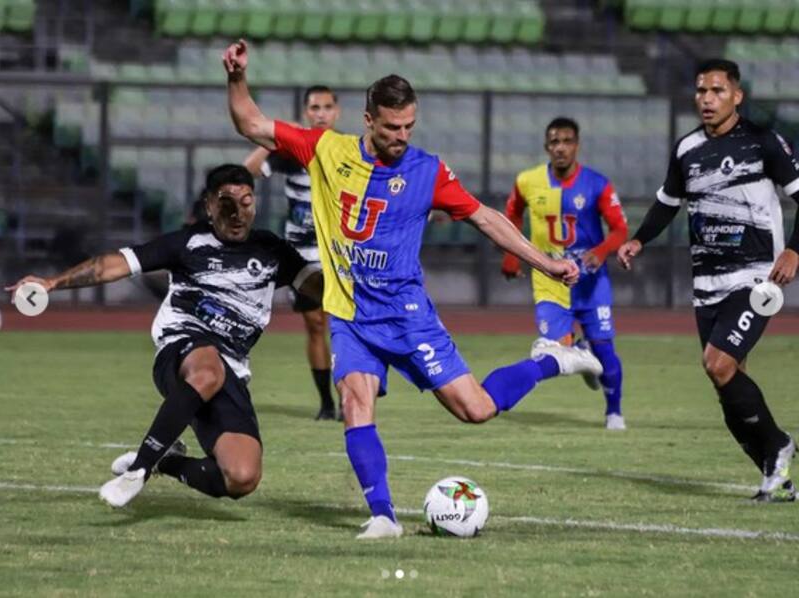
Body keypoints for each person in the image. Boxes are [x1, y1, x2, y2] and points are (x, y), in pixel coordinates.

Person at [224, 39, 605, 538]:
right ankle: (383, 515)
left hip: (407, 317)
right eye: (391, 127)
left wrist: (546, 263)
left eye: (409, 126)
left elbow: (486, 218)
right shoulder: (325, 149)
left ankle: (552, 359)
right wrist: (237, 77)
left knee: (476, 410)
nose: (401, 136)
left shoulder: (427, 171)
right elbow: (250, 122)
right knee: (354, 403)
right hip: (350, 314)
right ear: (368, 120)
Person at [6, 164, 322, 508]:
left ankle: (166, 461)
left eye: (246, 202)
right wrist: (52, 283)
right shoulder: (189, 242)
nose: (237, 213)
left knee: (241, 477)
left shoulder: (272, 251)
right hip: (182, 347)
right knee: (208, 370)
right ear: (209, 206)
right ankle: (138, 471)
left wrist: (354, 278)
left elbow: (319, 289)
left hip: (231, 368)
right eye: (226, 203)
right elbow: (116, 264)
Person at [617, 59, 799, 502]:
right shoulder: (688, 148)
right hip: (706, 283)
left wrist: (794, 250)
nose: (707, 99)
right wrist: (639, 239)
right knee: (727, 384)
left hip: (755, 278)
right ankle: (776, 477)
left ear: (737, 96)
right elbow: (667, 203)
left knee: (717, 364)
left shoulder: (763, 142)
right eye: (701, 91)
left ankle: (778, 444)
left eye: (717, 91)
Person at [501, 117, 629, 430]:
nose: (560, 148)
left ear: (577, 145)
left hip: (590, 282)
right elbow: (512, 215)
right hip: (550, 280)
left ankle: (614, 413)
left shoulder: (597, 184)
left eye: (567, 141)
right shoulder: (527, 181)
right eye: (555, 142)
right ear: (546, 147)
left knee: (605, 350)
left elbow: (620, 229)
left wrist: (601, 251)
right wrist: (511, 255)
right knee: (553, 349)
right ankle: (580, 353)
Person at [243, 85, 340, 421]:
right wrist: (274, 138)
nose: (321, 114)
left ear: (337, 112)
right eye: (315, 107)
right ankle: (327, 403)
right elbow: (248, 170)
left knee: (345, 327)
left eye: (327, 107)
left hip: (338, 253)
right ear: (305, 112)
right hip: (301, 255)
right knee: (315, 324)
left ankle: (352, 398)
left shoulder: (347, 150)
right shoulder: (293, 151)